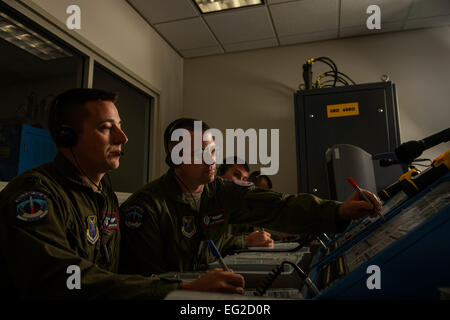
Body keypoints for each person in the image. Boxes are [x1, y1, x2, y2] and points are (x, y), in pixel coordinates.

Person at [0, 89, 243, 299]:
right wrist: (178, 289)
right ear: (67, 137)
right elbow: (63, 280)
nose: (122, 137)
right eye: (106, 128)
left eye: (120, 125)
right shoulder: (35, 194)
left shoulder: (103, 191)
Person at [119, 118, 382, 277]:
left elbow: (280, 206)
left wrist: (337, 211)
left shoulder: (223, 191)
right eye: (200, 153)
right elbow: (147, 281)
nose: (212, 160)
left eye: (213, 149)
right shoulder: (145, 207)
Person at [217, 159, 273, 248]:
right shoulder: (209, 199)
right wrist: (247, 240)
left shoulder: (235, 204)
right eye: (236, 175)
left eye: (244, 179)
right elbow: (209, 244)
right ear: (220, 175)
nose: (241, 182)